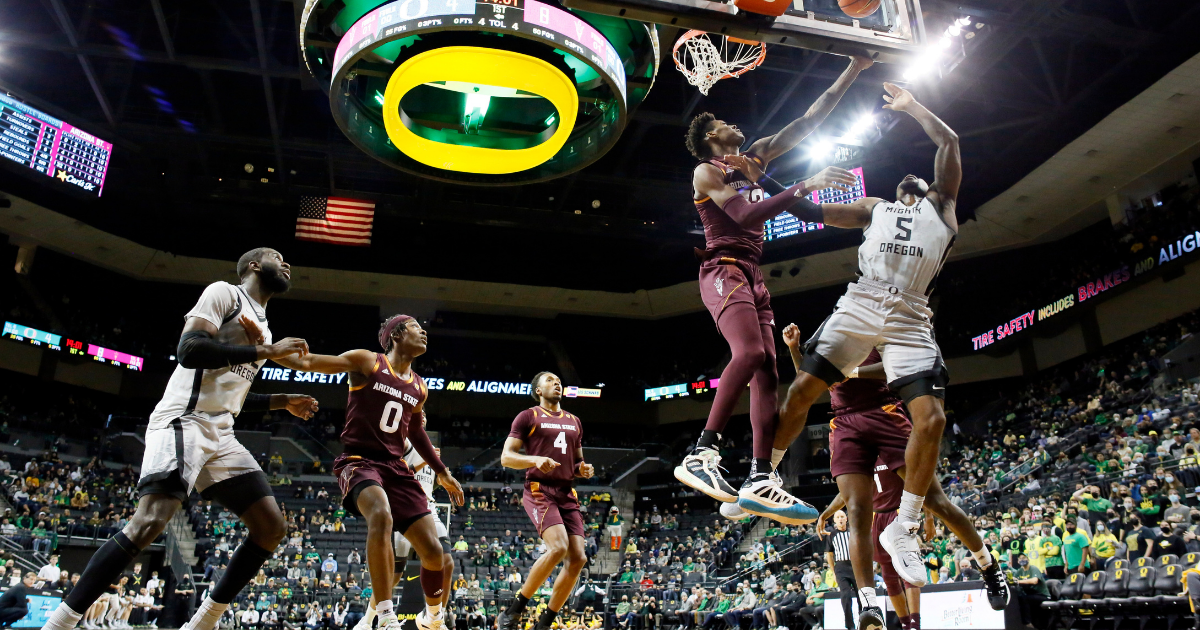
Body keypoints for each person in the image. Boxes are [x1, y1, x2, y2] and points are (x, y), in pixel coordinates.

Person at [43, 248, 318, 630]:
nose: (286, 262)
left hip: (221, 431)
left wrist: (281, 401)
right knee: (150, 521)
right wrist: (265, 351)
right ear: (254, 265)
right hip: (184, 419)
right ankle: (60, 622)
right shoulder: (225, 293)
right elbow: (189, 352)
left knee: (271, 527)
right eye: (276, 256)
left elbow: (230, 393)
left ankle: (202, 623)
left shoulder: (264, 327)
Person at [774, 83, 965, 588]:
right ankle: (763, 471)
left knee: (932, 418)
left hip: (909, 313)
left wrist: (911, 107)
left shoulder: (941, 209)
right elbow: (810, 215)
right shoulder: (874, 206)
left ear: (928, 191)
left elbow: (949, 143)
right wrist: (780, 183)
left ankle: (904, 524)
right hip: (863, 298)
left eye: (919, 180)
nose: (911, 179)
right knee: (801, 390)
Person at [675, 55, 875, 524]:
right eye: (722, 122)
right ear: (711, 138)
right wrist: (807, 184)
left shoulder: (758, 157)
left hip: (754, 275)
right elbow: (743, 217)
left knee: (768, 371)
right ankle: (702, 453)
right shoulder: (708, 173)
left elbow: (811, 117)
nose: (732, 123)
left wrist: (854, 69)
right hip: (722, 269)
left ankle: (761, 476)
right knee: (747, 355)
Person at [264, 313, 466, 630]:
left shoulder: (419, 387)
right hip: (359, 460)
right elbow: (311, 362)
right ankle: (385, 615)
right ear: (397, 335)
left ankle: (433, 617)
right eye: (416, 327)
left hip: (396, 467)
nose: (424, 332)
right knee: (381, 516)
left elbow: (416, 431)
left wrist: (441, 471)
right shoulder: (367, 362)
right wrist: (268, 351)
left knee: (434, 552)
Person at [798, 328, 1007, 629]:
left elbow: (890, 368)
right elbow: (808, 380)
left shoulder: (874, 329)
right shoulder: (826, 341)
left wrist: (851, 371)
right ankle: (868, 604)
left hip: (882, 411)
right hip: (843, 420)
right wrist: (795, 349)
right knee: (857, 512)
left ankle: (988, 566)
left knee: (936, 501)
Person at [496, 372, 595, 630]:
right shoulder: (529, 416)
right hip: (540, 489)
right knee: (559, 548)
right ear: (538, 390)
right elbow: (507, 458)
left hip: (566, 491)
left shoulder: (575, 421)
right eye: (549, 380)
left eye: (558, 380)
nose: (556, 382)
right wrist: (535, 460)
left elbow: (576, 463)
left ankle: (545, 622)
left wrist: (582, 469)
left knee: (578, 559)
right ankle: (514, 610)